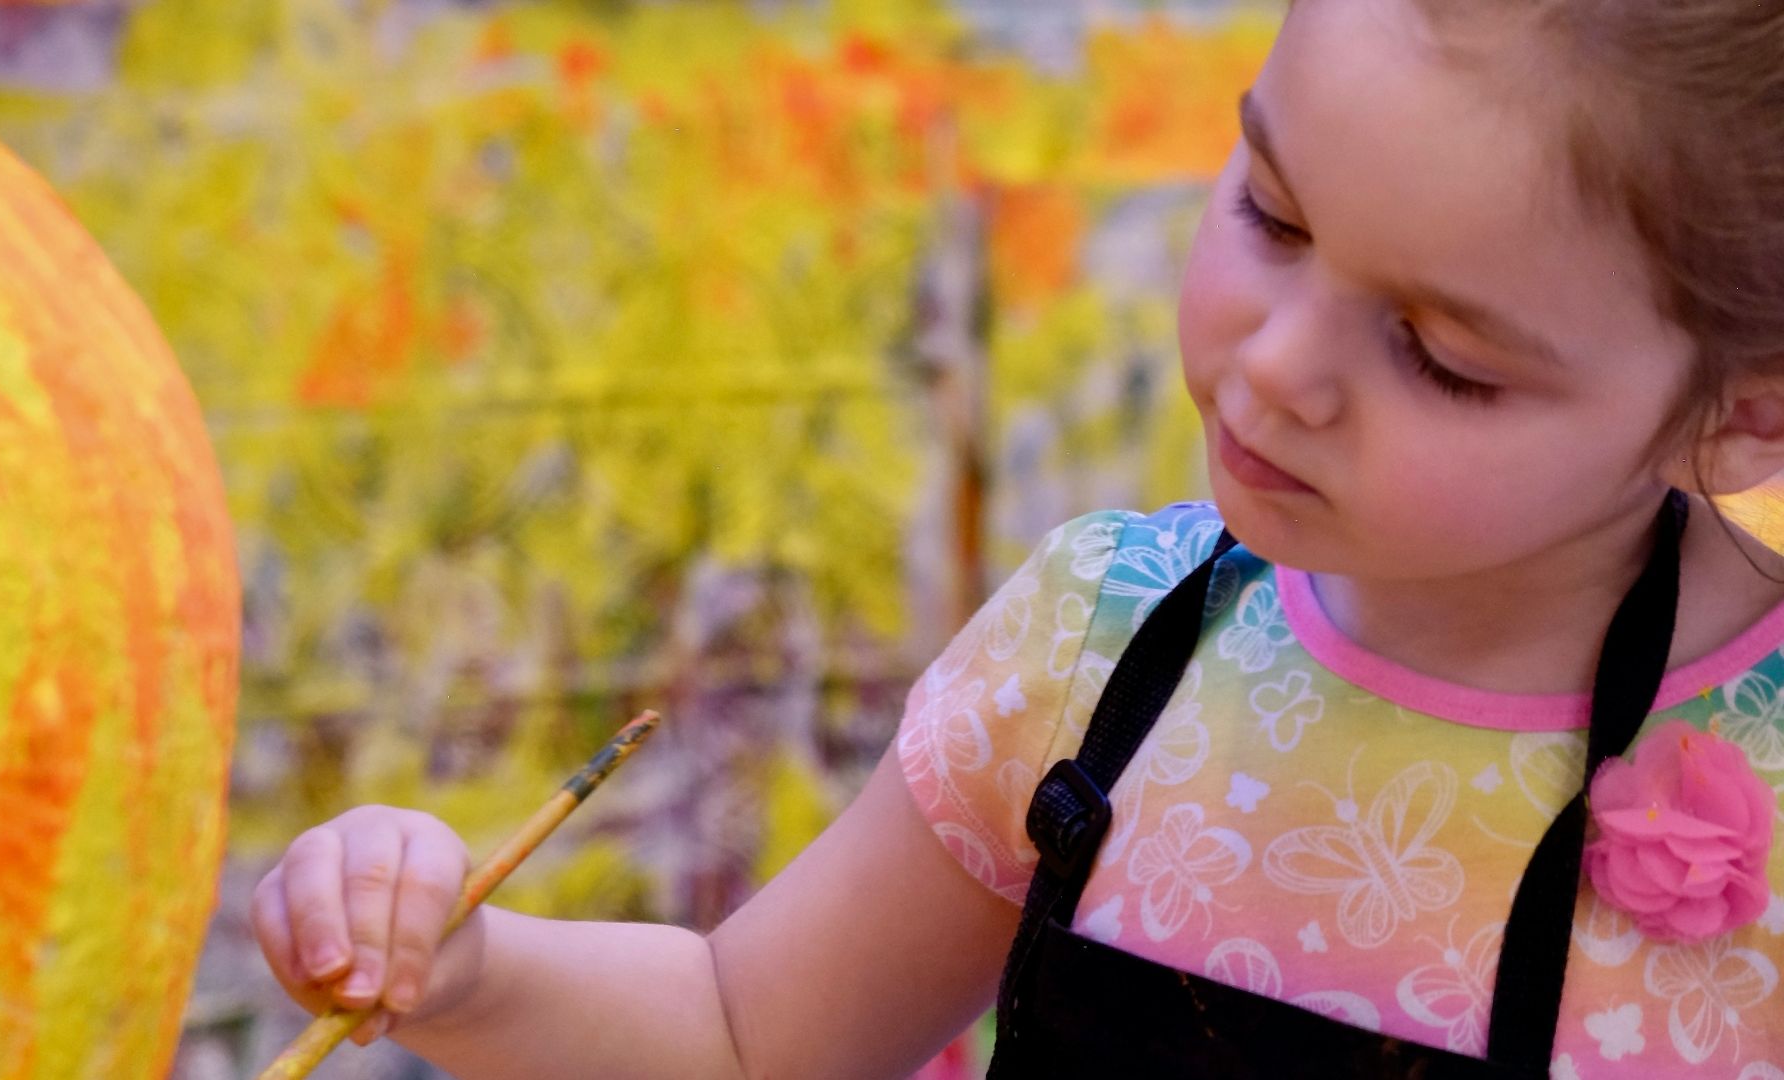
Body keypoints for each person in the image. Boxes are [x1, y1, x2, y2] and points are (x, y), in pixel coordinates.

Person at [251, 1, 1784, 1075]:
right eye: (1273, 213)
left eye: (1441, 357)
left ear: (1748, 418)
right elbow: (744, 1038)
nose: (1270, 369)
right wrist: (466, 974)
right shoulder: (1100, 648)